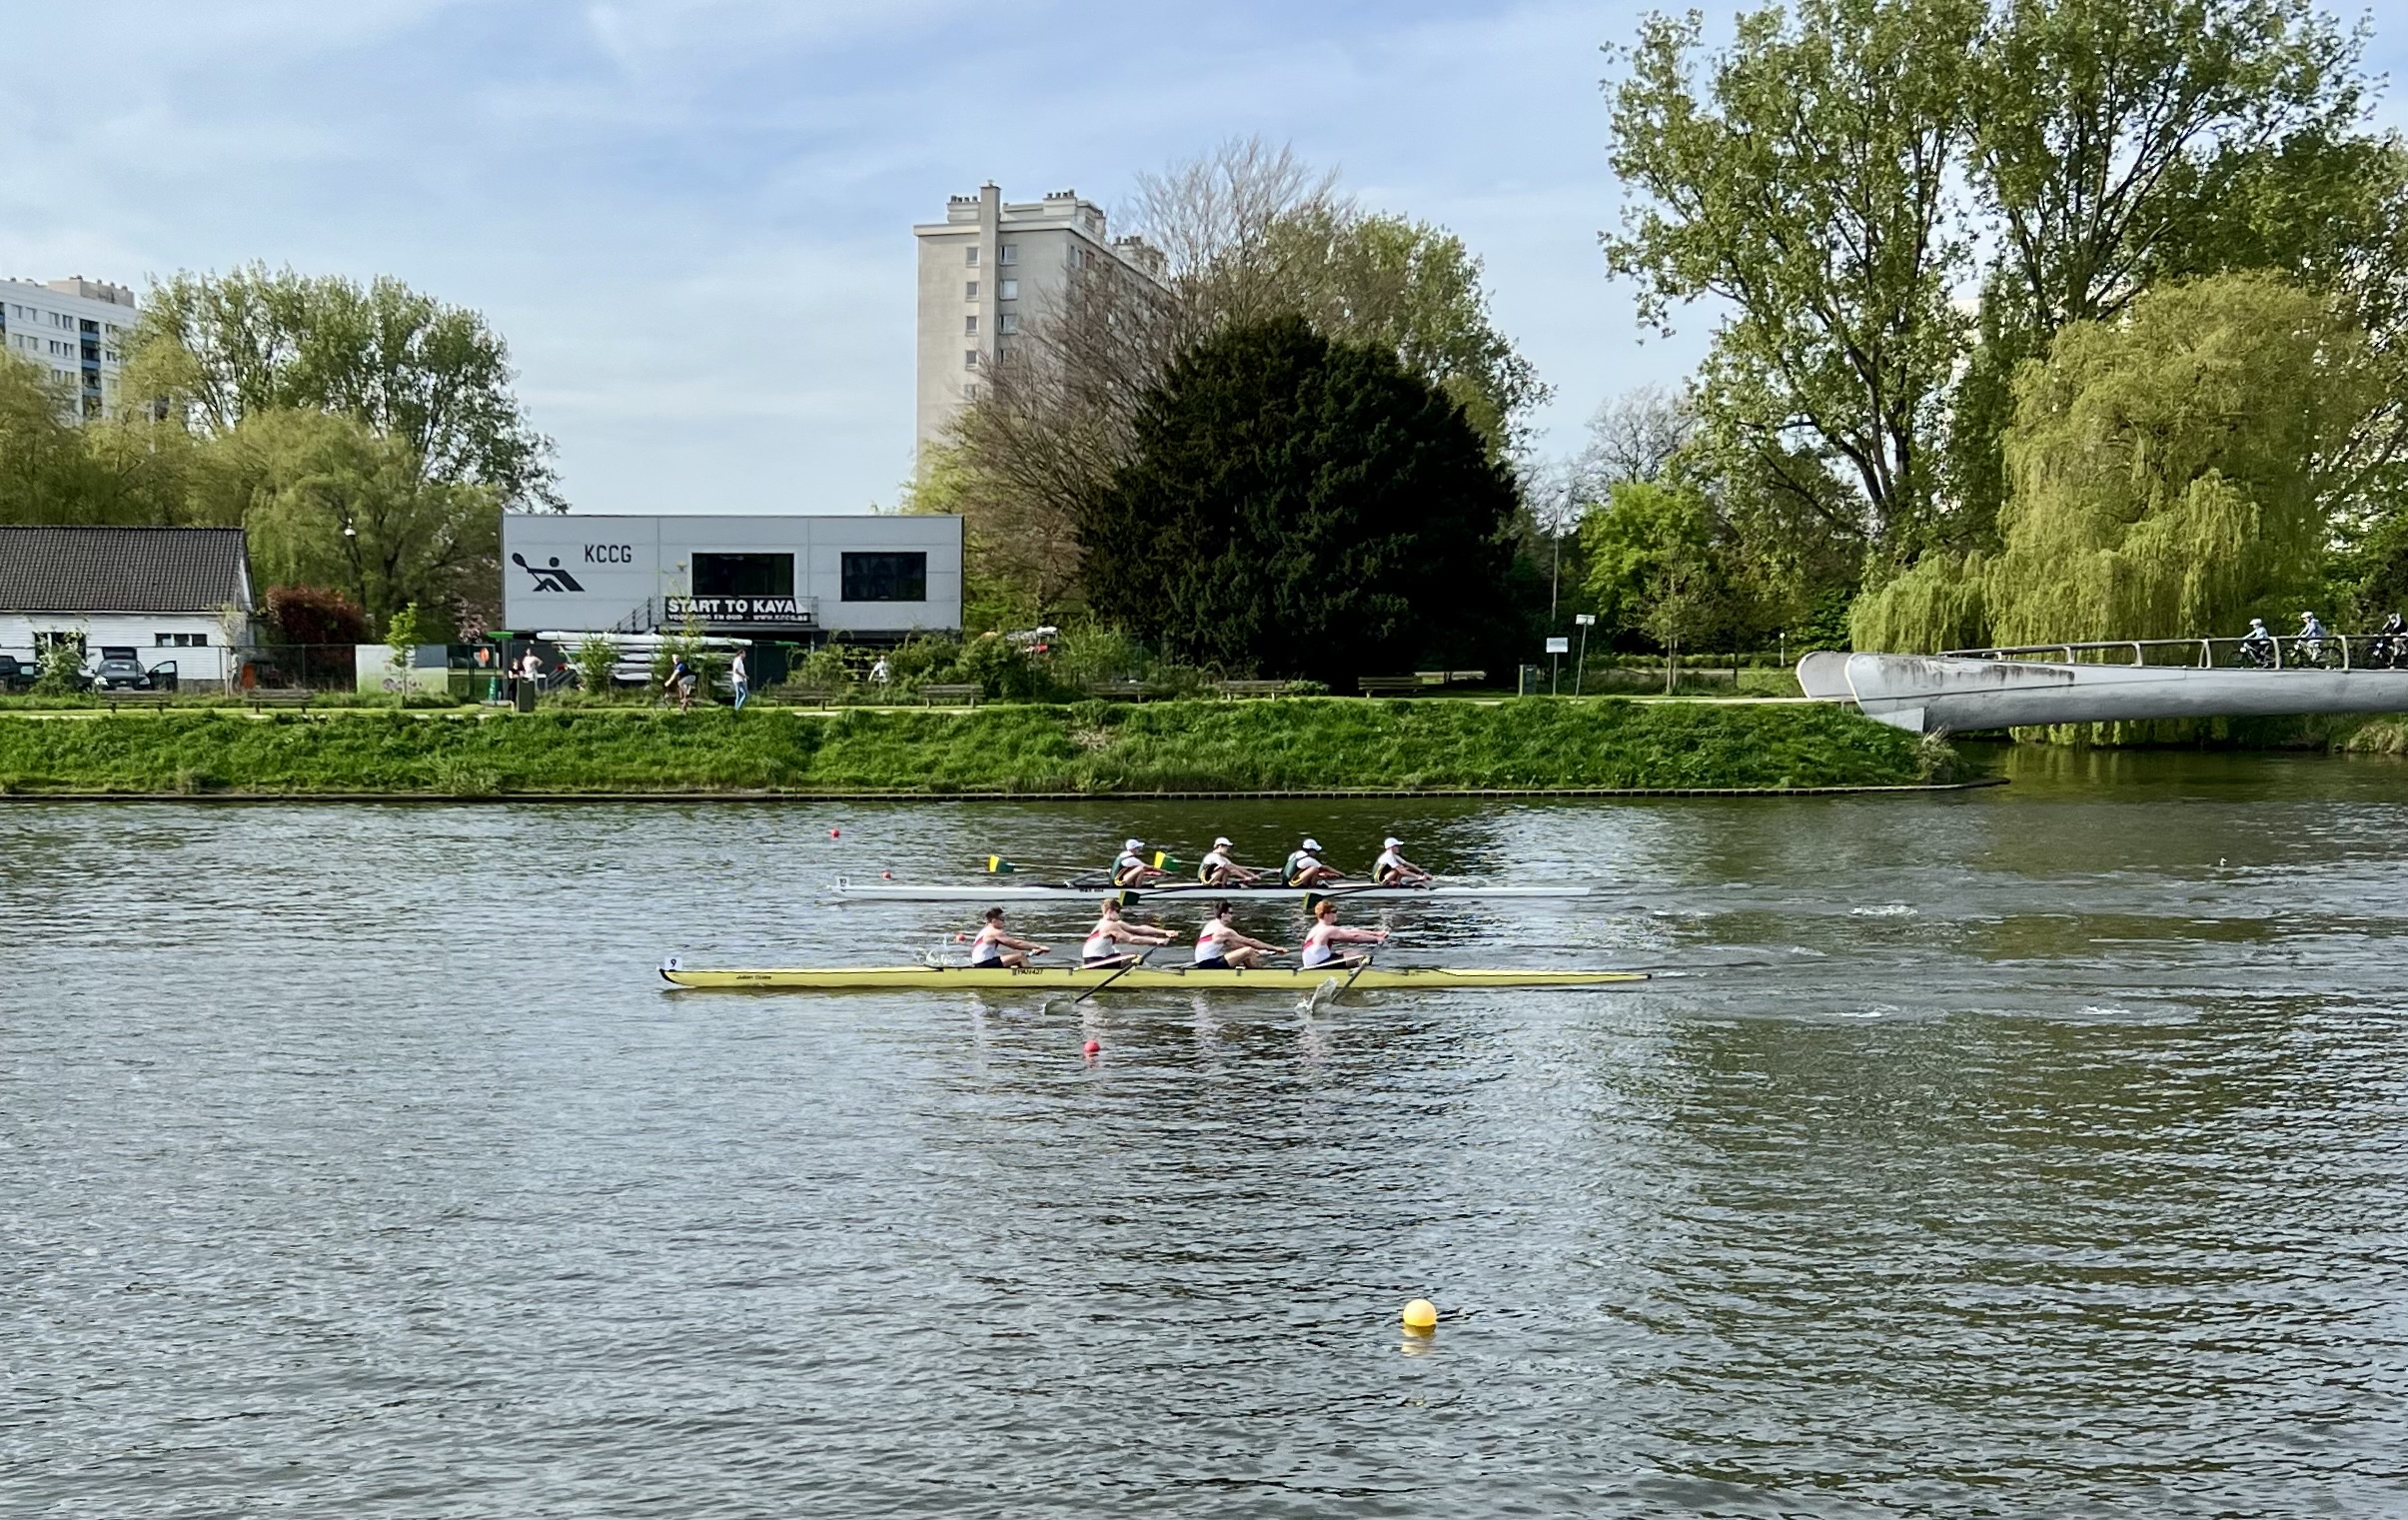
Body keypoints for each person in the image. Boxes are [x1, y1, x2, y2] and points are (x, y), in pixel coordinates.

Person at [1080, 899, 1175, 969]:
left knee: (1133, 954)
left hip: (1101, 957)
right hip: (1094, 962)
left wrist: (1165, 932)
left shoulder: (1112, 923)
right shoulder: (1109, 926)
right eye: (1118, 911)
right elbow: (1132, 939)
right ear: (1110, 911)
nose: (1119, 914)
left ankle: (1137, 972)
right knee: (1135, 956)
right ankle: (1144, 975)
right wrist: (1156, 940)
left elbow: (1138, 929)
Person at [1299, 898, 1388, 970]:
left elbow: (1352, 932)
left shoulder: (1319, 928)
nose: (1336, 914)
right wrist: (1376, 940)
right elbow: (1354, 937)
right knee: (1360, 957)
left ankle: (1355, 971)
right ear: (1326, 914)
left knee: (1351, 951)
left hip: (1318, 961)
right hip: (1316, 966)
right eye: (1334, 911)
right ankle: (1363, 977)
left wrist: (1377, 934)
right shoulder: (1328, 930)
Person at [1192, 901, 1284, 969]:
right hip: (1208, 964)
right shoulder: (1224, 931)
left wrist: (1258, 951)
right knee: (1248, 951)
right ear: (1223, 915)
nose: (1232, 916)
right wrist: (1275, 948)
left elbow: (1234, 945)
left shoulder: (1210, 925)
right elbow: (1251, 941)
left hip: (1204, 962)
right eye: (1231, 913)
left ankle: (1255, 971)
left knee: (1245, 952)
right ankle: (1261, 975)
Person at [966, 906, 1048, 969]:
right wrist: (1038, 946)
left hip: (980, 962)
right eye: (1002, 919)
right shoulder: (994, 932)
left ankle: (1017, 975)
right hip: (983, 964)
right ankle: (1033, 978)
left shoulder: (985, 930)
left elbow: (1011, 944)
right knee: (1020, 956)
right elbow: (1016, 944)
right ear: (994, 920)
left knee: (1013, 957)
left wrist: (1032, 950)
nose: (1004, 922)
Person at [1197, 835, 1262, 885]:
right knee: (1224, 869)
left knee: (1226, 869)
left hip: (1210, 878)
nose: (1228, 850)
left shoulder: (1222, 857)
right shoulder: (1213, 856)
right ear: (1220, 846)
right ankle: (1215, 885)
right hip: (1204, 881)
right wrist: (1245, 877)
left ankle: (1222, 886)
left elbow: (1236, 867)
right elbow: (1231, 869)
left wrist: (1252, 875)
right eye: (1227, 848)